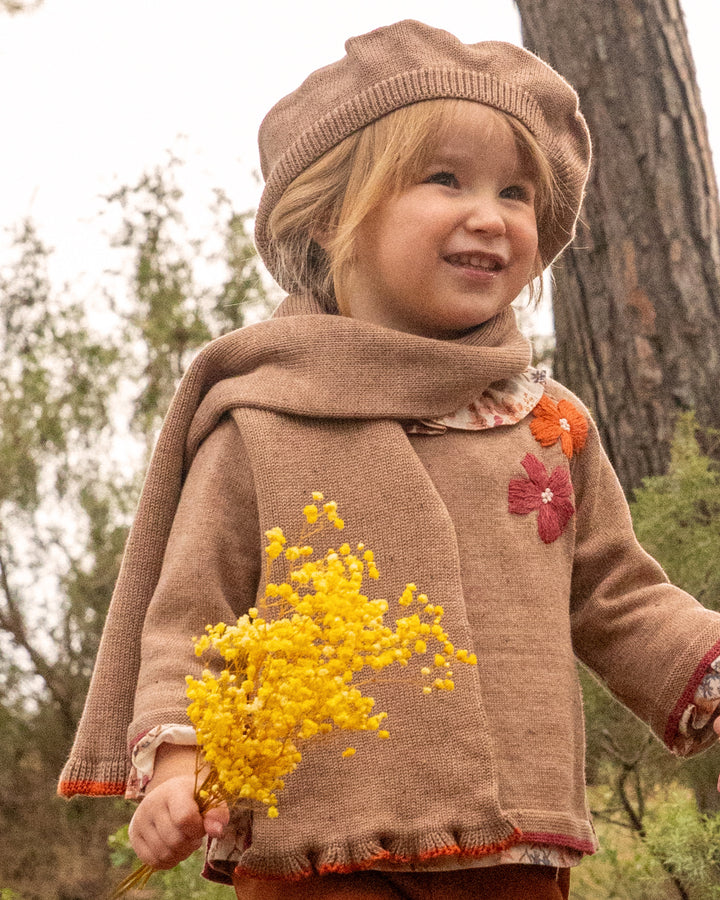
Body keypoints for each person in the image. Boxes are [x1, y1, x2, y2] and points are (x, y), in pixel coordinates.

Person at [58, 20, 720, 900]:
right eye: (444, 178)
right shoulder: (265, 420)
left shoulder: (546, 424)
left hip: (514, 851)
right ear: (333, 214)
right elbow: (194, 620)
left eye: (517, 192)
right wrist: (180, 767)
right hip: (321, 847)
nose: (490, 215)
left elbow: (618, 595)